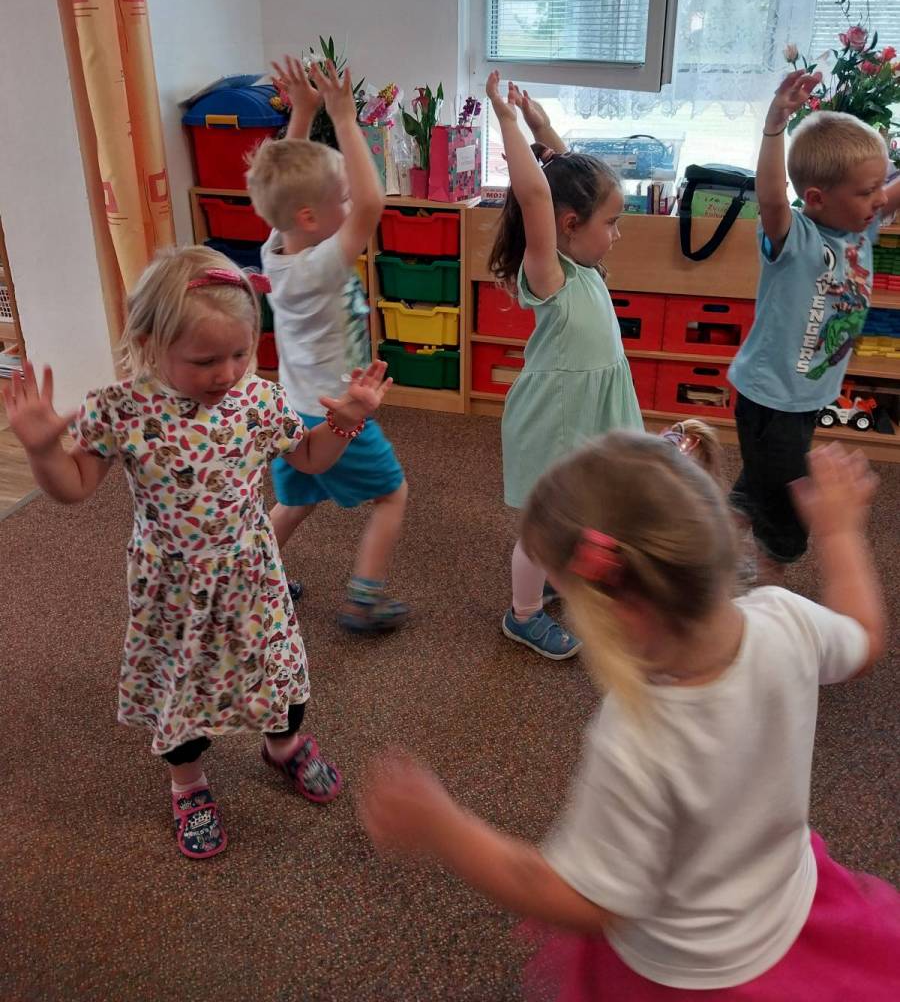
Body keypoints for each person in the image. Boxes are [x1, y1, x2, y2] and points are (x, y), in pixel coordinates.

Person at [359, 435, 899, 999]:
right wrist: (839, 533)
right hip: (788, 901)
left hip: (688, 970)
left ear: (619, 613)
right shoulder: (785, 618)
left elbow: (584, 900)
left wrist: (444, 828)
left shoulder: (637, 737)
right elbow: (864, 637)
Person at [2, 246, 391, 859]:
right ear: (151, 343)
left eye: (240, 353)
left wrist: (346, 422)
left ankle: (283, 747)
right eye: (204, 360)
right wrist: (43, 451)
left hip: (253, 573)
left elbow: (311, 458)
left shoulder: (259, 401)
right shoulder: (122, 408)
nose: (226, 372)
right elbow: (73, 488)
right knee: (180, 692)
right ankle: (187, 782)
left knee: (281, 676)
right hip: (173, 585)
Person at [486, 71, 642, 659]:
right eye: (611, 223)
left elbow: (563, 171)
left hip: (589, 410)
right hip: (555, 417)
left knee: (581, 508)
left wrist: (539, 121)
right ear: (570, 225)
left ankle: (553, 573)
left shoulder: (584, 264)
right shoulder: (550, 272)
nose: (617, 234)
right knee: (546, 523)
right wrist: (505, 119)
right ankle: (523, 614)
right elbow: (536, 195)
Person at [249, 56, 408, 633]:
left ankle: (250, 584)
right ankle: (365, 598)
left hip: (292, 409)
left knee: (296, 500)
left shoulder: (277, 248)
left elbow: (281, 182)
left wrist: (302, 112)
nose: (349, 205)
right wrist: (342, 115)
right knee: (393, 496)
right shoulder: (319, 266)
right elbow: (371, 205)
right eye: (338, 198)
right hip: (335, 414)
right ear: (311, 217)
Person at [728, 69, 900, 584]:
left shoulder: (860, 225)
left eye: (880, 186)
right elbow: (771, 198)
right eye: (867, 191)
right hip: (771, 397)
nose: (879, 200)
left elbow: (892, 195)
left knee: (763, 479)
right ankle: (768, 582)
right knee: (788, 504)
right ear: (819, 197)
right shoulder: (795, 239)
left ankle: (721, 528)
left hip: (805, 396)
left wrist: (880, 189)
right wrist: (774, 126)